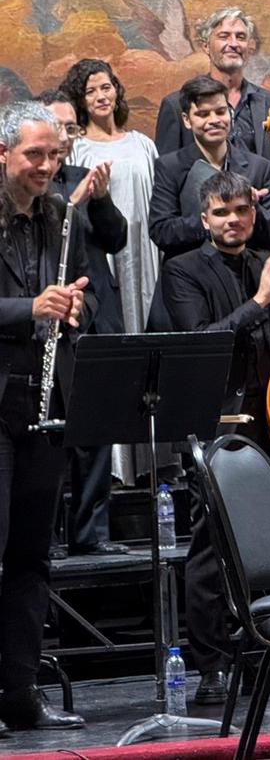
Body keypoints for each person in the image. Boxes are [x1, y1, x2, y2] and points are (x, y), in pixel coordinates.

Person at [159, 170, 270, 706]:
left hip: (269, 420)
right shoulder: (181, 270)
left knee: (264, 541)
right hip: (213, 424)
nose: (233, 221)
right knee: (209, 549)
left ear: (252, 212)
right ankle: (212, 666)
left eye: (242, 211)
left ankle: (268, 646)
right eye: (222, 213)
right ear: (204, 220)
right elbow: (201, 341)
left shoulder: (263, 261)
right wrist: (262, 296)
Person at [0, 101, 89, 733]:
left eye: (55, 155)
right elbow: (24, 305)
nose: (48, 166)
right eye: (35, 154)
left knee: (34, 556)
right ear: (3, 153)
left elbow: (58, 303)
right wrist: (30, 307)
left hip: (43, 398)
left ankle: (20, 692)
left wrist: (67, 312)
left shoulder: (61, 216)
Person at [38, 90, 129, 557]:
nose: (67, 137)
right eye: (59, 127)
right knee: (50, 434)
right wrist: (71, 203)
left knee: (96, 428)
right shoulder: (31, 188)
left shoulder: (83, 176)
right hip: (41, 326)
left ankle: (91, 534)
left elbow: (116, 239)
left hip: (91, 310)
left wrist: (102, 198)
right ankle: (47, 536)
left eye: (72, 129)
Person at [60, 59, 159, 336]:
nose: (101, 96)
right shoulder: (77, 148)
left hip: (145, 247)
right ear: (80, 100)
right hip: (103, 250)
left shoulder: (143, 144)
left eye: (106, 87)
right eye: (90, 91)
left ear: (116, 91)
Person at [149, 74, 270, 262]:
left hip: (245, 276)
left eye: (221, 111)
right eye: (203, 114)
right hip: (189, 277)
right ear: (187, 120)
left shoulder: (259, 167)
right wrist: (216, 219)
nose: (214, 120)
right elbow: (161, 232)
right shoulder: (169, 166)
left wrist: (253, 208)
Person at [154, 7, 270, 159]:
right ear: (206, 46)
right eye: (224, 36)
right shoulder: (176, 105)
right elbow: (168, 172)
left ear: (248, 47)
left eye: (241, 37)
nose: (234, 44)